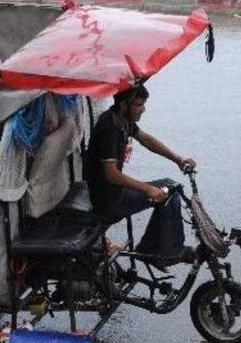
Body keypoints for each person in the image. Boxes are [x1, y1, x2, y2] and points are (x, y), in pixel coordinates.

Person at [84, 84, 197, 267]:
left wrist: (177, 158)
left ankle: (149, 248)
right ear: (123, 105)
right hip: (108, 200)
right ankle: (169, 252)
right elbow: (111, 174)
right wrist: (148, 189)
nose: (143, 109)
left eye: (143, 104)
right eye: (138, 105)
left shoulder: (122, 120)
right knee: (168, 194)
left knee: (171, 186)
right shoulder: (109, 128)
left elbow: (146, 139)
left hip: (115, 192)